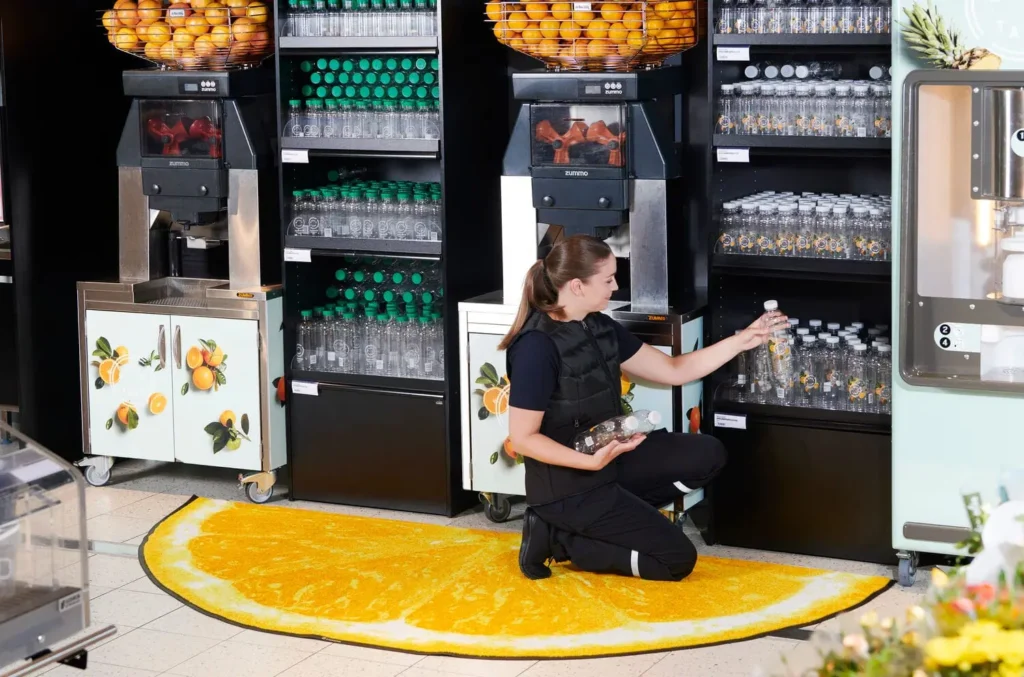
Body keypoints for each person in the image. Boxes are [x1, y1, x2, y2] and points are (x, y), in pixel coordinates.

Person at [501, 234, 787, 582]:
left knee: (707, 454)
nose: (615, 286)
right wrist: (590, 463)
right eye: (608, 279)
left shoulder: (597, 325)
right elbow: (524, 438)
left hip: (610, 458)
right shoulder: (536, 347)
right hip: (569, 486)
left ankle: (602, 521)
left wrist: (743, 340)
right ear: (577, 286)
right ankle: (561, 538)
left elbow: (673, 370)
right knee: (676, 560)